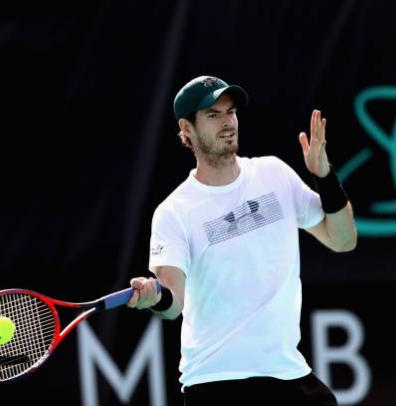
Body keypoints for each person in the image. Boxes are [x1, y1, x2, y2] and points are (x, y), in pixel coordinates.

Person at [126, 75, 357, 405]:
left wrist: (324, 176)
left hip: (287, 375)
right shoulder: (174, 212)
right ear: (186, 128)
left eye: (230, 112)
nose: (227, 122)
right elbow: (172, 302)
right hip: (216, 383)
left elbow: (343, 239)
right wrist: (154, 296)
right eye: (213, 115)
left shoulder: (274, 174)